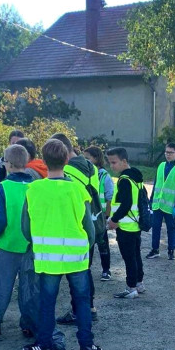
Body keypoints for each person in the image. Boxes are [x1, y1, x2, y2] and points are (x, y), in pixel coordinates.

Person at [21, 139, 102, 350]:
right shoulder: (77, 189)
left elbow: (25, 228)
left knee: (47, 301)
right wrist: (86, 244)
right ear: (67, 160)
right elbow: (89, 227)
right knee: (82, 300)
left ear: (43, 160)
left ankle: (45, 344)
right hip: (76, 256)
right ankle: (87, 344)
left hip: (48, 257)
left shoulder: (34, 189)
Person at [0, 144, 36, 338]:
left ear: (8, 164)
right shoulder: (35, 186)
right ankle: (28, 324)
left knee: (4, 286)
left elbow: (1, 220)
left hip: (9, 244)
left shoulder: (4, 187)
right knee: (27, 288)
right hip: (30, 245)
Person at [51, 133, 103, 325]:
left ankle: (81, 311)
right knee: (85, 268)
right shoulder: (92, 167)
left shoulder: (66, 171)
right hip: (94, 222)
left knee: (77, 271)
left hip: (75, 224)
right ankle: (89, 308)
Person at [106, 147, 146, 299]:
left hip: (125, 226)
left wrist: (114, 220)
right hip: (135, 225)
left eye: (114, 162)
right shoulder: (136, 178)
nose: (112, 166)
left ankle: (131, 287)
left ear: (124, 161)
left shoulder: (124, 180)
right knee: (136, 256)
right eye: (110, 163)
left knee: (129, 258)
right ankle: (139, 283)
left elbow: (126, 204)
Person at [147, 142, 175, 260]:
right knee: (155, 226)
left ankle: (171, 250)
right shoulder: (161, 166)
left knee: (171, 228)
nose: (168, 155)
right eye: (166, 152)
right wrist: (151, 199)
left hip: (170, 205)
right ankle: (155, 249)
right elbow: (156, 183)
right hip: (157, 204)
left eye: (171, 152)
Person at [83, 146, 113, 280]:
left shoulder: (104, 176)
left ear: (95, 158)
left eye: (87, 158)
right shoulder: (84, 174)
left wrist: (106, 215)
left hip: (99, 216)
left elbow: (109, 197)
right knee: (88, 243)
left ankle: (106, 270)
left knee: (103, 244)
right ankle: (85, 269)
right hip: (87, 214)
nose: (84, 161)